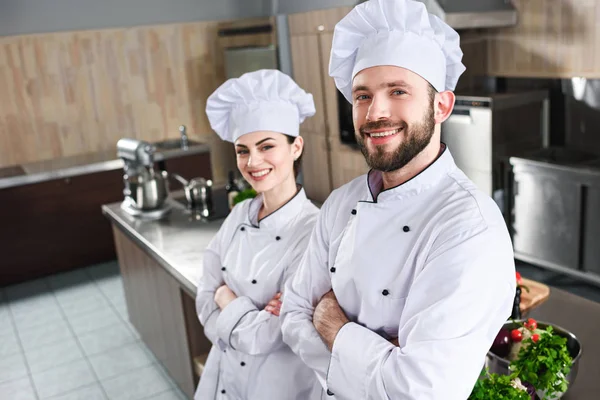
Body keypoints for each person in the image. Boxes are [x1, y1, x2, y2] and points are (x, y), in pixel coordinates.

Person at [280, 0, 516, 399]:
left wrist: (333, 326)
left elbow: (419, 391)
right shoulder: (341, 203)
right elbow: (292, 318)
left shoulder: (469, 228)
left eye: (398, 91)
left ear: (441, 105)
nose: (376, 112)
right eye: (363, 96)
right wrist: (379, 356)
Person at [195, 69, 321, 399]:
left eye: (267, 146)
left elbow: (269, 336)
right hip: (224, 377)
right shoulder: (240, 214)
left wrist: (226, 298)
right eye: (242, 150)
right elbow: (204, 295)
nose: (253, 161)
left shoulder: (313, 232)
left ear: (296, 147)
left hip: (277, 385)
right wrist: (239, 309)